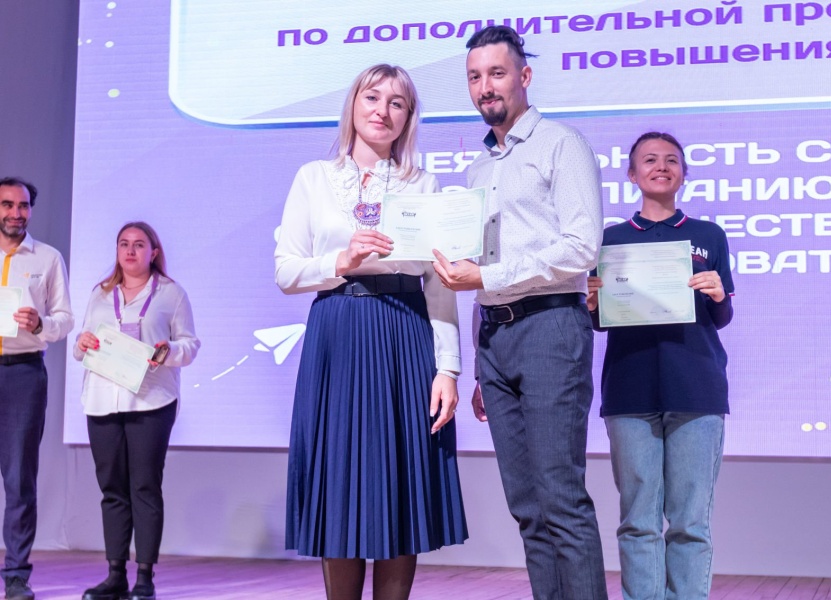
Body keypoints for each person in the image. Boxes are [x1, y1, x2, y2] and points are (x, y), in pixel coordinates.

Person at [275, 64, 467, 600]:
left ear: (408, 119)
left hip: (404, 335)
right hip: (337, 333)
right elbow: (286, 272)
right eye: (373, 97)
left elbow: (440, 284)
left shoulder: (423, 184)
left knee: (400, 483)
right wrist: (341, 260)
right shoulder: (313, 177)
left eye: (397, 103)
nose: (382, 110)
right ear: (354, 105)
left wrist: (448, 369)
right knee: (339, 482)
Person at [432, 26, 608, 600]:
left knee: (561, 499)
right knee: (527, 508)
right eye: (474, 77)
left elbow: (581, 247)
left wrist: (487, 278)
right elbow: (479, 264)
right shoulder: (478, 169)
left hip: (551, 329)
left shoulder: (562, 144)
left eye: (497, 73)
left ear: (524, 76)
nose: (485, 87)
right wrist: (480, 364)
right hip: (496, 339)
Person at [588, 132, 734, 600]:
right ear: (632, 174)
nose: (661, 167)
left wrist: (718, 295)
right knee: (638, 521)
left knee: (690, 522)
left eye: (672, 160)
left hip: (696, 388)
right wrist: (591, 303)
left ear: (684, 174)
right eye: (649, 160)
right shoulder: (609, 240)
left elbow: (721, 316)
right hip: (629, 390)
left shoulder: (709, 235)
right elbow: (599, 321)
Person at [73, 221, 200, 600]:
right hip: (102, 400)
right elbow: (81, 348)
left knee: (144, 487)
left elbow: (190, 344)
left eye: (139, 245)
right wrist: (81, 343)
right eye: (124, 244)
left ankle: (144, 577)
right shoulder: (100, 293)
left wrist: (169, 351)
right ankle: (115, 576)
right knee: (112, 490)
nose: (130, 251)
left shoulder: (171, 293)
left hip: (151, 401)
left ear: (153, 252)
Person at [0, 177, 74, 600]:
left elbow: (65, 319)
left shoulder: (47, 258)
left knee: (18, 479)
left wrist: (41, 323)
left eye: (23, 206)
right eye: (7, 204)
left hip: (23, 374)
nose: (16, 213)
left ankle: (15, 576)